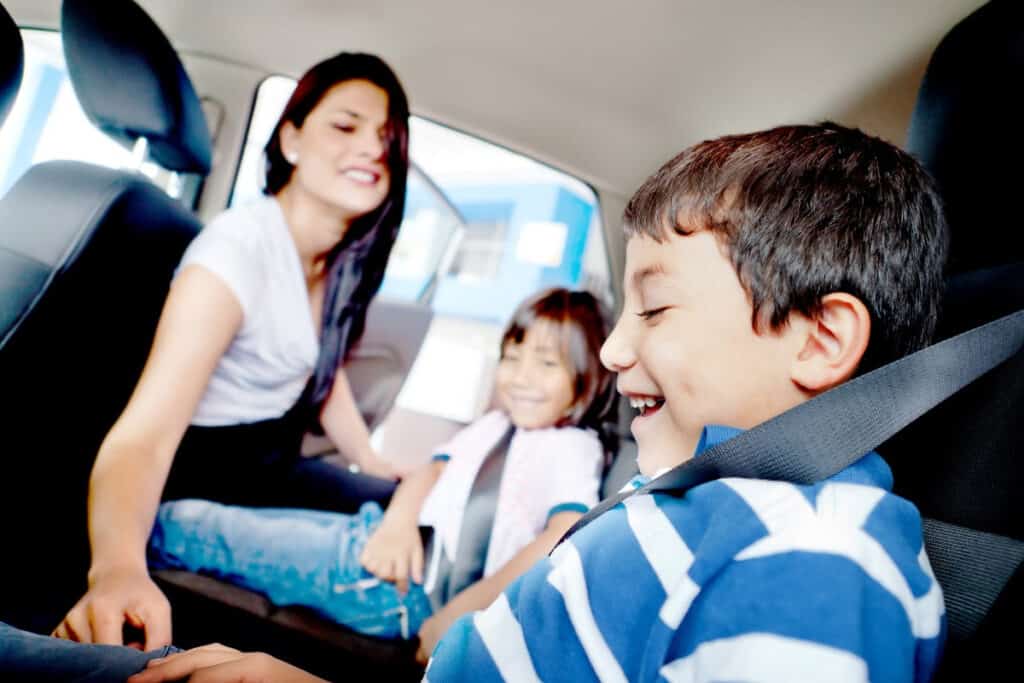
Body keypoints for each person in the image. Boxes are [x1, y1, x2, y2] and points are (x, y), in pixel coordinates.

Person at [133, 122, 950, 682]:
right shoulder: (700, 498)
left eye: (656, 308)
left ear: (818, 338)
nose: (613, 350)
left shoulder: (816, 561)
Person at [52, 52, 410, 652]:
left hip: (265, 461)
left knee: (402, 509)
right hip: (202, 476)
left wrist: (369, 459)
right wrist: (116, 569)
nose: (373, 148)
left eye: (386, 136)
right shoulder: (237, 252)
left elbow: (326, 373)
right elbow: (147, 433)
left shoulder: (331, 264)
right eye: (346, 127)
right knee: (385, 564)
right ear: (291, 140)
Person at [143, 286, 616, 661]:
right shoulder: (497, 425)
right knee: (221, 521)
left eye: (546, 363)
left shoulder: (573, 448)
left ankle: (127, 557)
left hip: (402, 589)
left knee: (196, 528)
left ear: (587, 375)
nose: (520, 377)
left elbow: (557, 541)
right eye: (512, 357)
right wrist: (397, 523)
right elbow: (432, 470)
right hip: (378, 539)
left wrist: (459, 615)